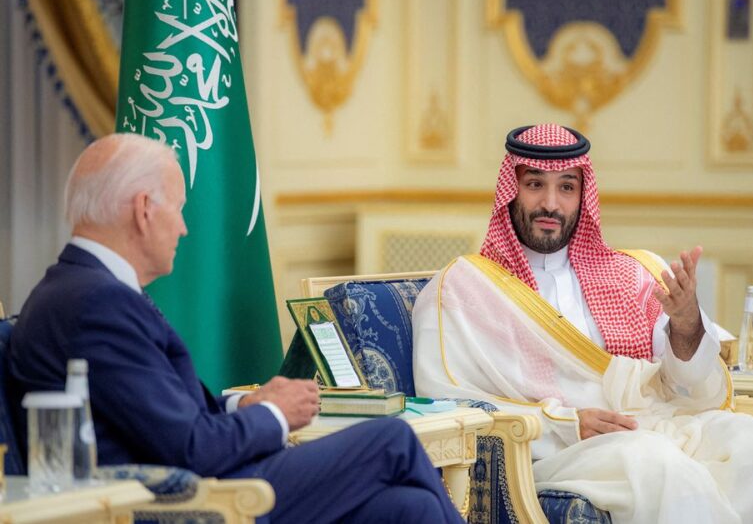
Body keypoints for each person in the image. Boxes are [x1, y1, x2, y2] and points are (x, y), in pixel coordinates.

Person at [8, 133, 465, 524]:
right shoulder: (96, 302)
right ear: (145, 209)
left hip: (198, 480)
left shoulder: (82, 289)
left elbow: (170, 412)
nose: (185, 229)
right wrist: (277, 414)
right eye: (180, 210)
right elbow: (189, 446)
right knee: (392, 440)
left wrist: (245, 402)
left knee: (411, 507)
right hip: (186, 501)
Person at [412, 123, 753, 523]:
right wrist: (565, 424)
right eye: (534, 184)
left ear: (583, 195)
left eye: (566, 187)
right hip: (558, 450)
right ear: (511, 190)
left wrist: (686, 325)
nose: (550, 203)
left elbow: (686, 387)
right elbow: (445, 402)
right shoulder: (465, 288)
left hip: (660, 425)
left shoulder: (631, 274)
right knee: (660, 468)